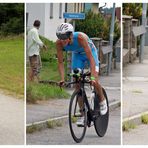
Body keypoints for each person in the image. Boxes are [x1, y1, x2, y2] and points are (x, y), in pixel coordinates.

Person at [56, 23, 107, 126]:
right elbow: (61, 63)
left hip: (90, 54)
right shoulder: (59, 43)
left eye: (65, 37)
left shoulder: (80, 38)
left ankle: (102, 100)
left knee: (94, 80)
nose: (62, 40)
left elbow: (91, 59)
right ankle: (83, 114)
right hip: (77, 56)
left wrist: (92, 77)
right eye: (60, 37)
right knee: (77, 85)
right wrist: (62, 79)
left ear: (71, 35)